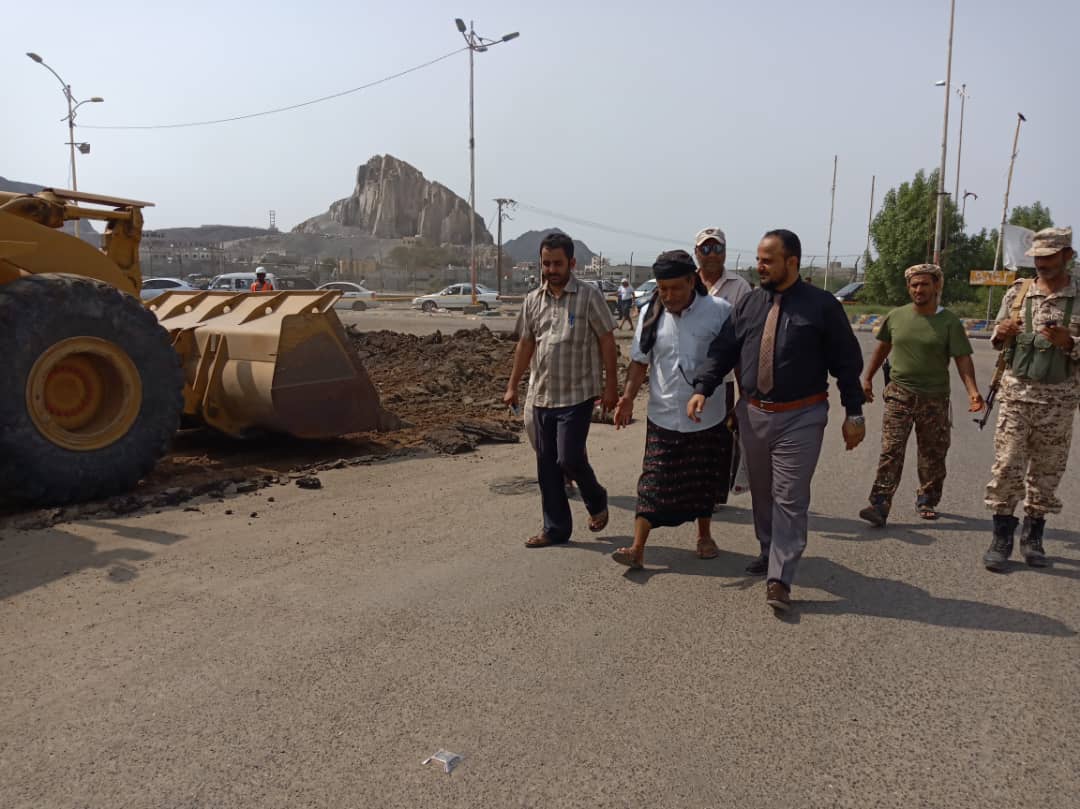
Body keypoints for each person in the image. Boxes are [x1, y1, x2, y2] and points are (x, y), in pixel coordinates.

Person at [687, 229, 865, 612]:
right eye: (758, 259)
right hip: (753, 414)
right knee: (762, 492)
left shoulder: (821, 307)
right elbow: (723, 349)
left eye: (768, 260)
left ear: (792, 262)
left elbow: (847, 363)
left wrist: (854, 413)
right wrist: (703, 387)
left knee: (789, 496)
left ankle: (779, 577)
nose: (760, 266)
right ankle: (768, 549)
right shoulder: (750, 304)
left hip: (802, 416)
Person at [609, 250, 735, 568]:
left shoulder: (719, 311)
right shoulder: (650, 314)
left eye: (675, 288)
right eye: (662, 288)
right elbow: (640, 361)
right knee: (652, 482)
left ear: (692, 281)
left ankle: (704, 535)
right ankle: (637, 548)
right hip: (662, 414)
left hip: (708, 416)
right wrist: (627, 398)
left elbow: (734, 359)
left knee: (703, 482)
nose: (668, 295)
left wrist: (744, 406)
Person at [504, 232, 619, 547]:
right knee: (547, 468)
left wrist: (611, 385)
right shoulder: (533, 300)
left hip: (578, 394)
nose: (551, 270)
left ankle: (596, 498)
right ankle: (555, 529)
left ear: (572, 263)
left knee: (569, 457)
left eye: (557, 263)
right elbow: (526, 344)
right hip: (542, 395)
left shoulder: (588, 296)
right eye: (546, 264)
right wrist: (513, 385)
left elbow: (607, 340)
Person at [983, 227, 1080, 571]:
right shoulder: (1018, 292)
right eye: (1037, 257)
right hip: (1016, 398)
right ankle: (1001, 538)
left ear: (1067, 255)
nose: (1041, 263)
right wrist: (1001, 332)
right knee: (1007, 465)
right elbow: (996, 337)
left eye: (1049, 256)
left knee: (1046, 471)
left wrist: (1069, 343)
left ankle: (1033, 536)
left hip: (1058, 402)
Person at [858, 264, 984, 525]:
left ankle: (927, 498)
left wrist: (973, 392)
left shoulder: (949, 322)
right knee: (891, 449)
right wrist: (867, 378)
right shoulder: (896, 316)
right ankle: (879, 503)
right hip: (899, 393)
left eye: (924, 284)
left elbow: (962, 358)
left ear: (936, 286)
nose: (918, 289)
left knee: (933, 453)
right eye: (914, 285)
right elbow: (882, 348)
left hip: (934, 398)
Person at [695, 226, 752, 505]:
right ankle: (689, 488)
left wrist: (745, 392)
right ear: (696, 253)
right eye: (705, 248)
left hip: (724, 377)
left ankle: (715, 494)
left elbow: (745, 341)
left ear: (725, 252)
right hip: (686, 374)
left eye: (716, 248)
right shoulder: (686, 282)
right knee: (687, 434)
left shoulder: (739, 287)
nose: (711, 254)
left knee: (720, 435)